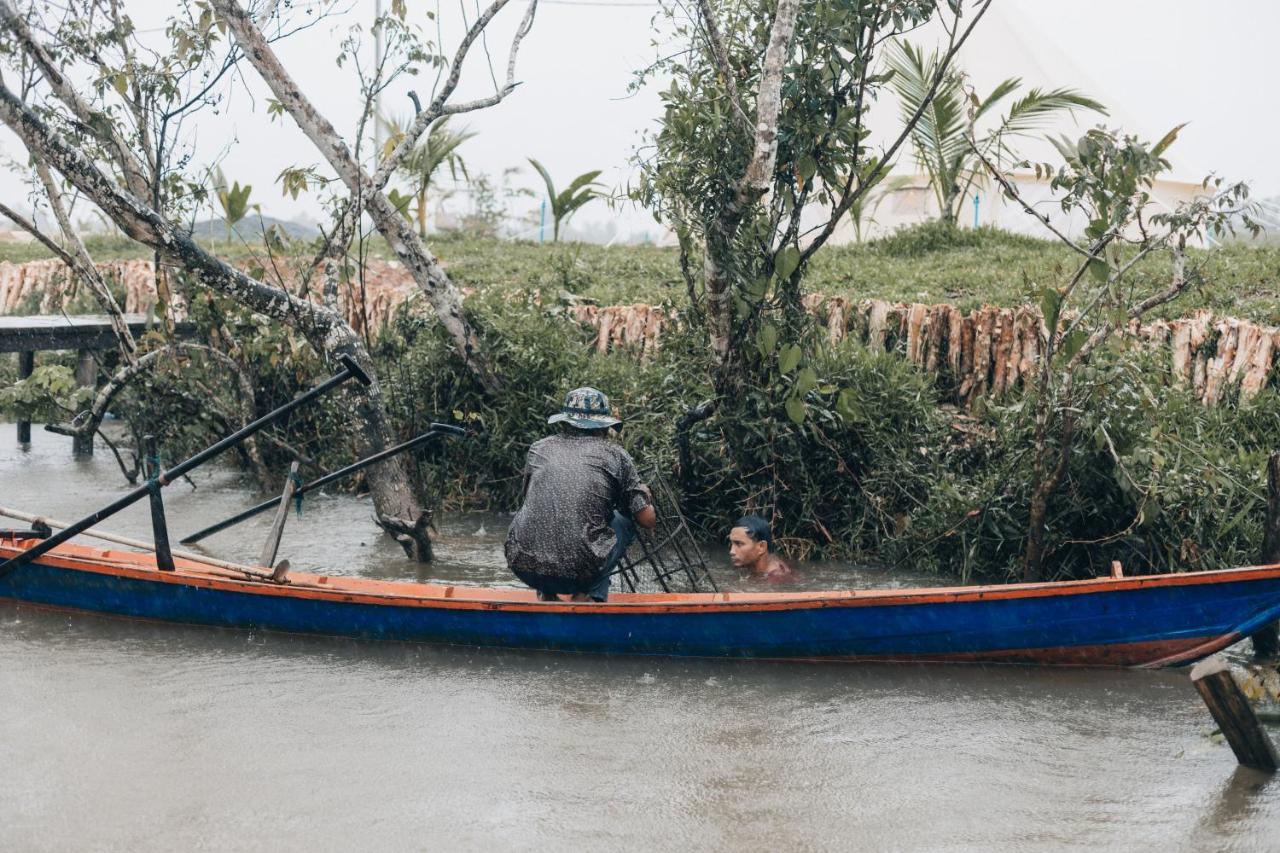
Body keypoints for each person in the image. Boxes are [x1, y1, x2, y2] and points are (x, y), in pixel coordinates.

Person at [505, 386, 657, 602]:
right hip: (578, 571)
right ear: (603, 427)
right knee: (624, 521)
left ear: (565, 422)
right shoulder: (615, 455)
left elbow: (528, 498)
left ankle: (547, 595)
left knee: (544, 512)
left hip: (523, 566)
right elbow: (647, 520)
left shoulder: (539, 448)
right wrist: (643, 494)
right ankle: (587, 596)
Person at [728, 515, 794, 583]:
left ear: (761, 547)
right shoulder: (748, 562)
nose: (731, 551)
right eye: (731, 543)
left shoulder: (776, 579)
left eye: (739, 544)